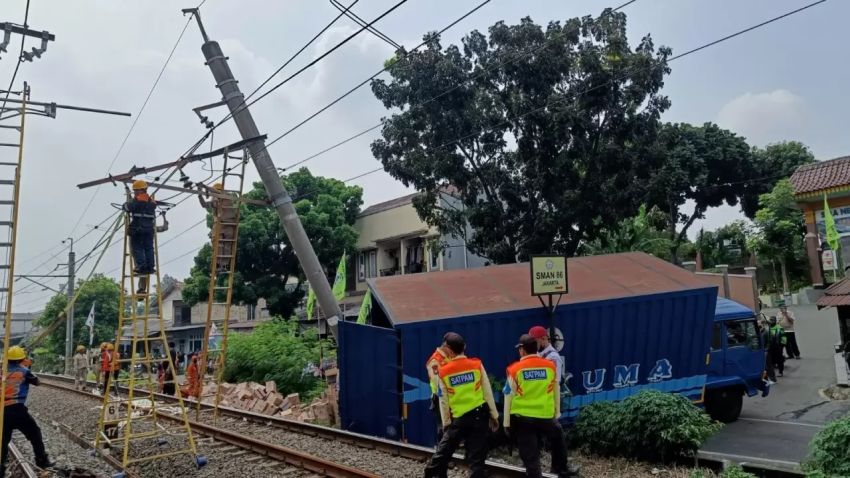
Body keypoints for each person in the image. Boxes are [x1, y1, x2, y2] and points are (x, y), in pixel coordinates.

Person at [423, 332, 499, 478]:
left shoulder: (445, 369)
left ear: (449, 348)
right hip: (469, 412)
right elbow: (487, 391)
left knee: (446, 448)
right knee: (453, 450)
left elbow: (444, 397)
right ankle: (437, 473)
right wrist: (494, 415)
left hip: (457, 413)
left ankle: (432, 472)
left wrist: (447, 423)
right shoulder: (474, 364)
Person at [504, 334, 579, 478]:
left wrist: (506, 423)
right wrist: (557, 412)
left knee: (530, 454)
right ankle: (560, 469)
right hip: (545, 416)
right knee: (557, 436)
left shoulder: (514, 369)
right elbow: (555, 388)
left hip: (523, 418)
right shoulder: (549, 366)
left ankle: (534, 474)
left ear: (522, 350)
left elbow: (508, 396)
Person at [0, 346, 53, 475]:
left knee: (3, 440)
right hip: (17, 409)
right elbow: (37, 382)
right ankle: (42, 461)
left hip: (2, 411)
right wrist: (28, 368)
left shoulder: (2, 372)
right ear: (22, 359)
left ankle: (1, 468)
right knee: (35, 434)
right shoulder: (24, 371)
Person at [123, 179, 166, 294]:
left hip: (138, 229)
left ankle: (141, 267)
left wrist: (127, 203)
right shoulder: (152, 202)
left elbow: (127, 207)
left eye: (136, 190)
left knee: (137, 248)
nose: (135, 193)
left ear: (140, 190)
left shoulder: (137, 200)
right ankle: (150, 266)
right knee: (149, 248)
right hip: (149, 230)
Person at [198, 183, 237, 272]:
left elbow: (217, 193)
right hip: (221, 224)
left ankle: (224, 265)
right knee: (219, 243)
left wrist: (205, 187)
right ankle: (220, 265)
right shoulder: (216, 200)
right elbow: (204, 205)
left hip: (226, 224)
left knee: (224, 243)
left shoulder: (226, 196)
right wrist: (200, 194)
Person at [425, 340, 449, 441]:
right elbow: (437, 382)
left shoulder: (446, 357)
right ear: (447, 347)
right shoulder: (435, 361)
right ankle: (441, 448)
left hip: (448, 396)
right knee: (443, 426)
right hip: (439, 397)